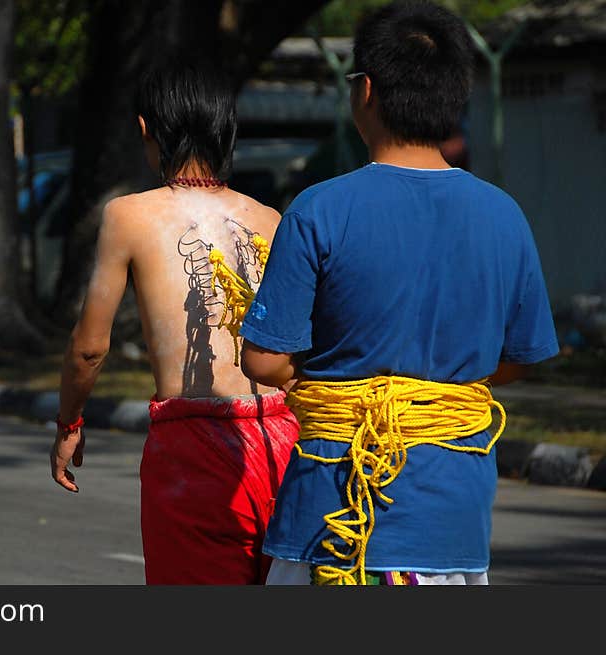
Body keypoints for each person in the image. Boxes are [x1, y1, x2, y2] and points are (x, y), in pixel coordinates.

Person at [238, 0, 559, 586]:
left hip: (329, 522)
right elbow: (519, 359)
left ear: (366, 91)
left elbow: (262, 359)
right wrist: (426, 394)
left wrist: (350, 389)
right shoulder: (504, 216)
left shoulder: (319, 209)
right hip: (451, 523)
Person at [50, 58, 300, 584]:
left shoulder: (128, 215)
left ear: (146, 129)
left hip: (196, 447)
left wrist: (69, 423)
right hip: (283, 437)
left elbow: (90, 347)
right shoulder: (271, 219)